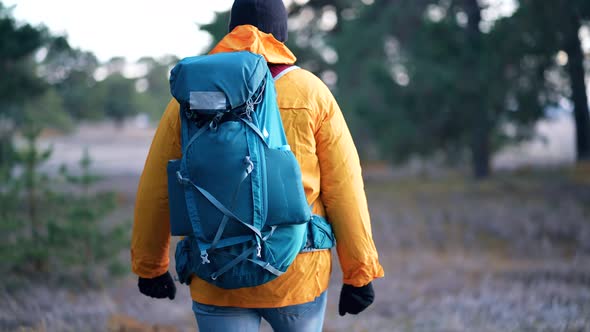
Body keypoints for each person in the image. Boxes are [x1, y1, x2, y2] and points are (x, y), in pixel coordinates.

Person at [131, 0, 384, 330]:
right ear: (281, 35)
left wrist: (150, 266)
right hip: (296, 273)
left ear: (231, 31)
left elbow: (157, 188)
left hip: (215, 271)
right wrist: (359, 273)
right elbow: (345, 188)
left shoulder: (191, 98)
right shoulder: (311, 92)